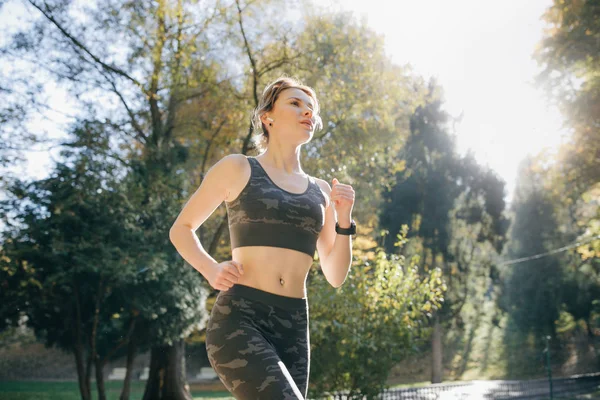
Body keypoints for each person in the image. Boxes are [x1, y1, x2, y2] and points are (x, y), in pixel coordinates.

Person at [169, 76, 356, 399]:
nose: (307, 112)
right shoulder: (238, 168)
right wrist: (211, 269)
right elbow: (181, 229)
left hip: (294, 324)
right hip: (241, 318)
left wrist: (344, 219)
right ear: (267, 117)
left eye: (311, 108)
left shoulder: (321, 191)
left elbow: (336, 275)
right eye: (295, 104)